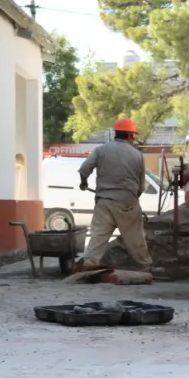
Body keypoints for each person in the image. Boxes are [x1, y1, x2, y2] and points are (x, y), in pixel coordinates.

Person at [75, 117, 153, 273]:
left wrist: (84, 182)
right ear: (131, 136)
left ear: (115, 134)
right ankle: (145, 266)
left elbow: (84, 170)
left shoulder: (100, 150)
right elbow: (141, 186)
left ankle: (89, 264)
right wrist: (132, 198)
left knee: (98, 236)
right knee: (135, 238)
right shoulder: (137, 155)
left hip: (104, 201)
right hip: (127, 202)